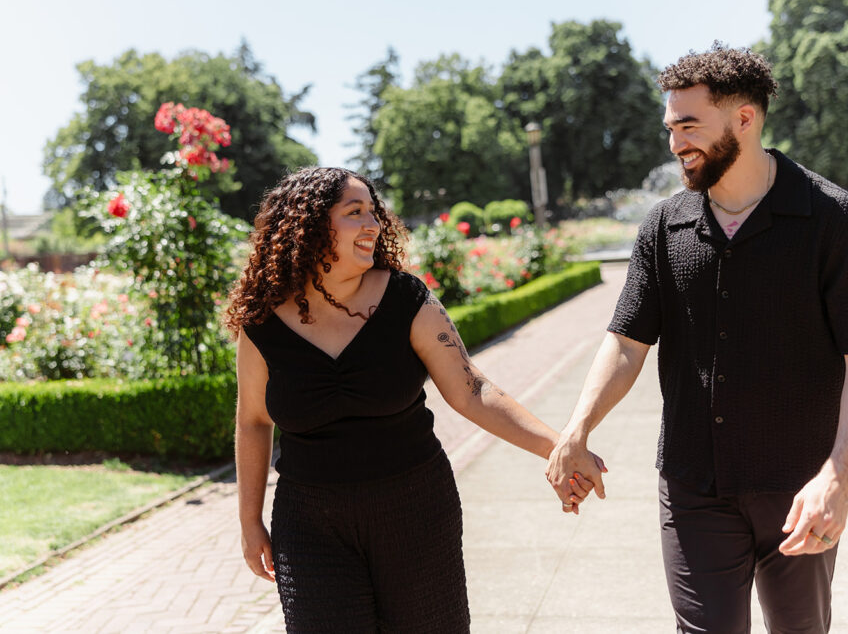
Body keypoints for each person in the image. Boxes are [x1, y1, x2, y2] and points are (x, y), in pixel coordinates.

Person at [545, 45, 848, 633]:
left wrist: (839, 477)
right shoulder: (664, 225)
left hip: (801, 486)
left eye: (689, 126)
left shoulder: (834, 219)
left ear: (745, 118)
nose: (675, 143)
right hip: (694, 486)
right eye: (670, 127)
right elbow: (627, 340)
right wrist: (577, 428)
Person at [225, 167, 600, 633]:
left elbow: (473, 390)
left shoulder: (407, 299)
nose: (373, 224)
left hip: (415, 510)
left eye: (374, 212)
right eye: (354, 212)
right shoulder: (262, 323)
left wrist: (558, 447)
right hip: (310, 524)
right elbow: (253, 422)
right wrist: (249, 521)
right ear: (310, 224)